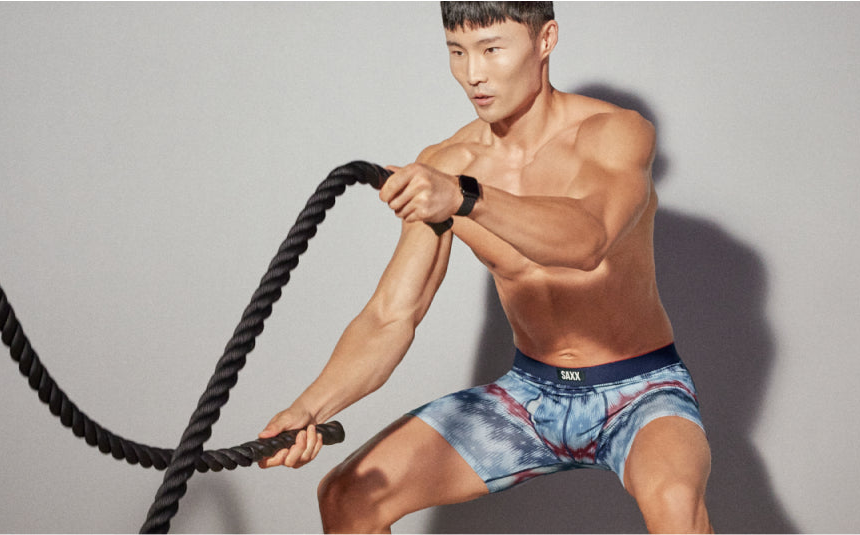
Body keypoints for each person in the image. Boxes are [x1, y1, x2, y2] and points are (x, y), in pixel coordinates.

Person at [254, 2, 712, 533]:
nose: (474, 74)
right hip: (529, 396)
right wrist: (308, 408)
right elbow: (391, 317)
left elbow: (588, 239)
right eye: (457, 52)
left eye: (492, 49)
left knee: (677, 506)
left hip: (639, 389)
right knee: (347, 496)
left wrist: (466, 198)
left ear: (545, 40)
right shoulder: (447, 163)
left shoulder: (614, 133)